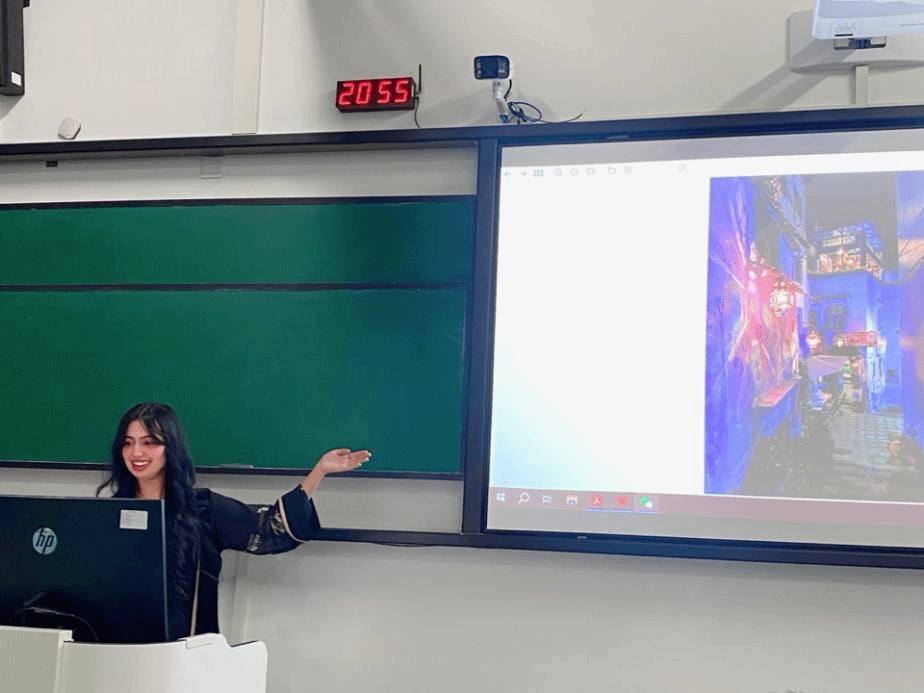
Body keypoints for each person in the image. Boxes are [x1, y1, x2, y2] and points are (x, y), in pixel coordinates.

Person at [96, 402, 370, 641]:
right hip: (114, 653)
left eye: (149, 443)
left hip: (186, 655)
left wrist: (318, 472)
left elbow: (270, 528)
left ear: (171, 447)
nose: (136, 452)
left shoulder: (203, 510)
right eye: (128, 443)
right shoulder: (107, 516)